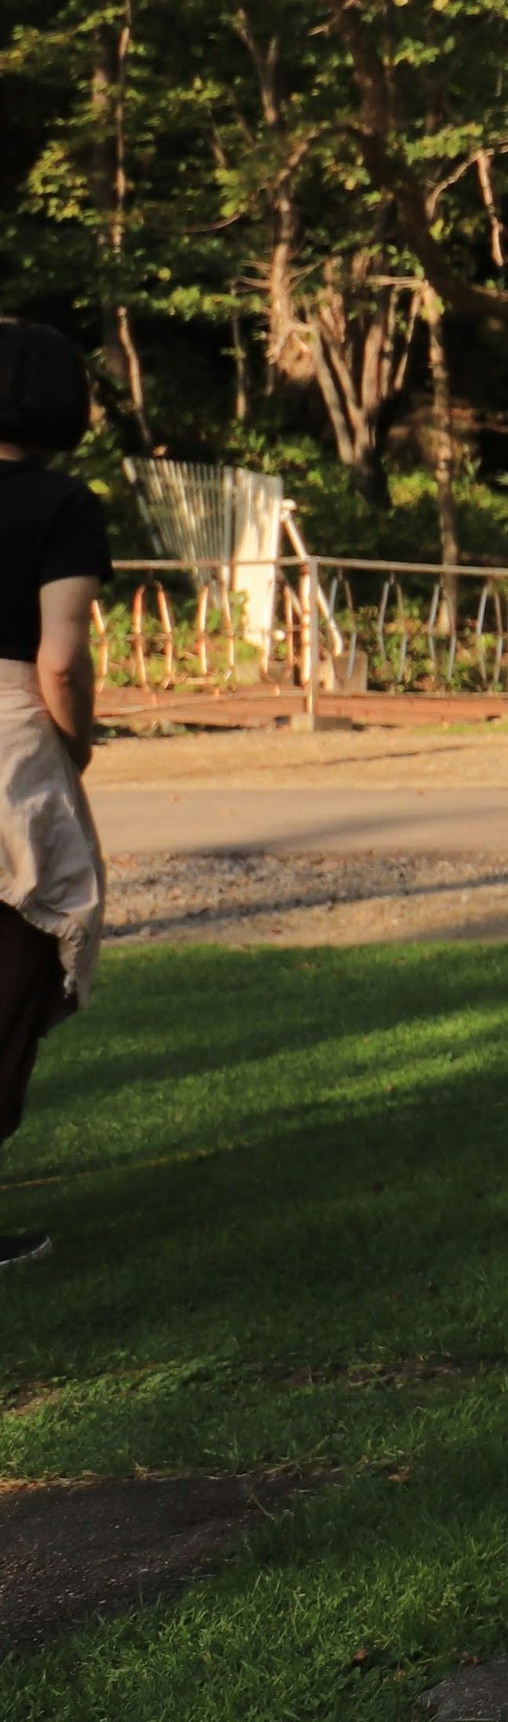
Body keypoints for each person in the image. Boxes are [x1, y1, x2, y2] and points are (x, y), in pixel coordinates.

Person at [0, 322, 108, 1271]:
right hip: (6, 732)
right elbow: (61, 662)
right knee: (11, 964)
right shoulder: (62, 505)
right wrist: (71, 746)